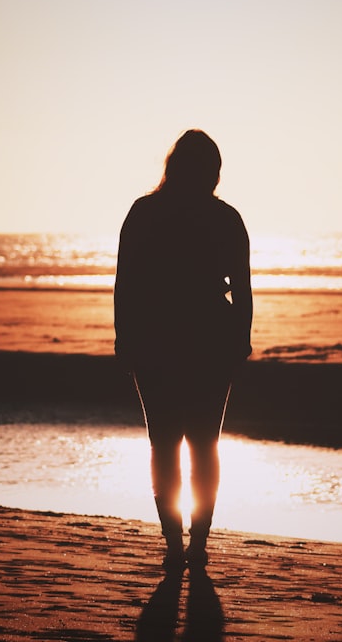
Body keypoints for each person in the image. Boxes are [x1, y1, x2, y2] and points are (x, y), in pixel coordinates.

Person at [114, 129, 253, 571]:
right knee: (204, 445)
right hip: (211, 338)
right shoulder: (226, 218)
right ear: (211, 172)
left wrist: (124, 337)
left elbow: (126, 284)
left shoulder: (144, 212)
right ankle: (197, 542)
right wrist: (241, 340)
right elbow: (244, 291)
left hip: (155, 337)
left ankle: (175, 543)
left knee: (165, 444)